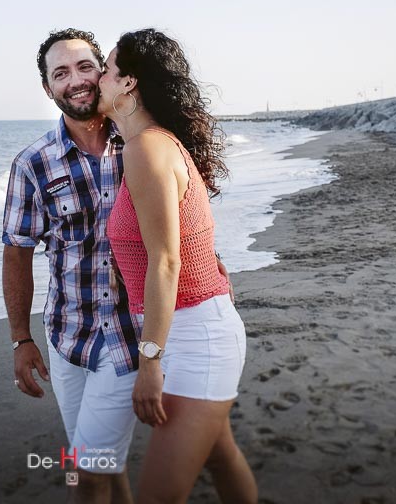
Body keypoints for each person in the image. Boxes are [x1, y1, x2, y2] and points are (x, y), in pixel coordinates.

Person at [99, 29, 258, 503]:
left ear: (128, 83)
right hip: (196, 326)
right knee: (221, 455)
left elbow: (166, 261)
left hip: (193, 340)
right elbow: (179, 245)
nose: (99, 79)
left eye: (106, 69)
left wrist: (150, 363)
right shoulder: (154, 144)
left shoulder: (146, 149)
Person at [2, 28, 141, 503]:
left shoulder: (141, 144)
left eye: (84, 67)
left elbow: (182, 219)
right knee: (106, 462)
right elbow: (16, 251)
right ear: (48, 89)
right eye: (60, 73)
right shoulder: (33, 163)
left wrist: (213, 263)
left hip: (129, 338)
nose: (76, 80)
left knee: (84, 473)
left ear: (103, 72)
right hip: (67, 340)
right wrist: (21, 338)